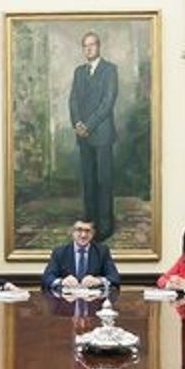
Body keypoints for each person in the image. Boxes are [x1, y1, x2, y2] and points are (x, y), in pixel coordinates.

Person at [69, 30, 119, 241]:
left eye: (92, 45)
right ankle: (89, 223)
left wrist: (87, 125)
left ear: (98, 47)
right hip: (84, 135)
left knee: (103, 181)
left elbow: (108, 102)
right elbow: (73, 100)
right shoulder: (79, 72)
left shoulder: (110, 70)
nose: (89, 49)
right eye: (85, 46)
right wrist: (77, 124)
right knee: (88, 181)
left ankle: (105, 227)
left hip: (102, 134)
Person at [41, 218, 121, 291]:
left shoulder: (102, 251)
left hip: (94, 299)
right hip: (66, 300)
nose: (83, 235)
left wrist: (99, 281)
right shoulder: (60, 252)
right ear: (72, 232)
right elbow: (47, 278)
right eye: (79, 230)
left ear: (93, 233)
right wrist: (61, 282)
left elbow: (114, 277)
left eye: (87, 231)